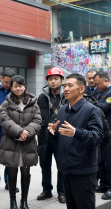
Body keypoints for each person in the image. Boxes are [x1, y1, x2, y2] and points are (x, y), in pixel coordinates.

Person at [48, 73, 103, 209]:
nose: (65, 89)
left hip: (83, 172)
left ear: (81, 89)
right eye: (65, 86)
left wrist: (76, 132)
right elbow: (56, 134)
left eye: (70, 86)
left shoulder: (91, 110)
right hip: (66, 169)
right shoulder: (63, 109)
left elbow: (97, 137)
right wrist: (52, 132)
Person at [0, 75, 42, 209]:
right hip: (11, 142)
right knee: (12, 171)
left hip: (27, 142)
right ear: (11, 87)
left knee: (25, 171)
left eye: (20, 85)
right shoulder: (6, 103)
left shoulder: (33, 102)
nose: (18, 88)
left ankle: (24, 201)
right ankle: (13, 201)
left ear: (25, 87)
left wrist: (26, 132)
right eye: (15, 86)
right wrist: (19, 131)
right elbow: (4, 120)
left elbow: (38, 121)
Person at [36, 67, 66, 203]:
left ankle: (62, 192)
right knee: (45, 164)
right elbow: (36, 115)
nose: (53, 82)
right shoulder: (41, 97)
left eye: (56, 79)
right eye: (50, 79)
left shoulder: (66, 95)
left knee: (61, 165)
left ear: (61, 80)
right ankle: (47, 190)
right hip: (44, 136)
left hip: (61, 135)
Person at [93, 71, 111, 200]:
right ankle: (103, 184)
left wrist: (91, 103)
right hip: (101, 132)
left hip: (110, 133)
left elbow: (103, 107)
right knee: (101, 161)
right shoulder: (100, 93)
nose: (96, 86)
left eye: (97, 84)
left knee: (110, 162)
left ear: (105, 81)